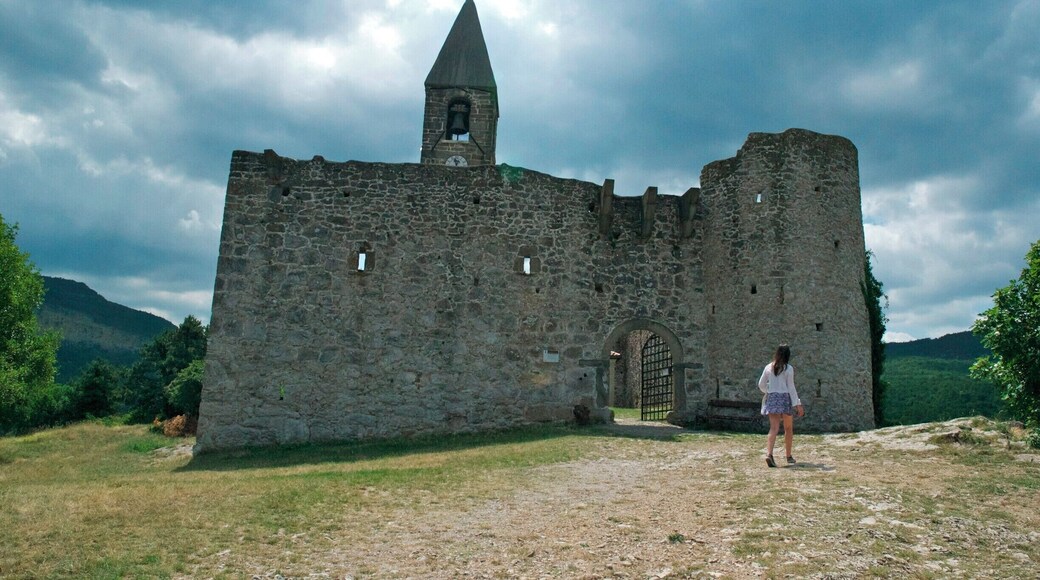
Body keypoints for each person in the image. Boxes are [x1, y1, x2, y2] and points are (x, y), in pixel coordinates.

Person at [758, 344, 804, 467]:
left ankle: (769, 454)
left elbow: (761, 384)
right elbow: (791, 387)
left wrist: (769, 390)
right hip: (785, 398)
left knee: (773, 428)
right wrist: (797, 404)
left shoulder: (768, 367)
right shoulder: (788, 369)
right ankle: (788, 456)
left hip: (772, 398)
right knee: (788, 428)